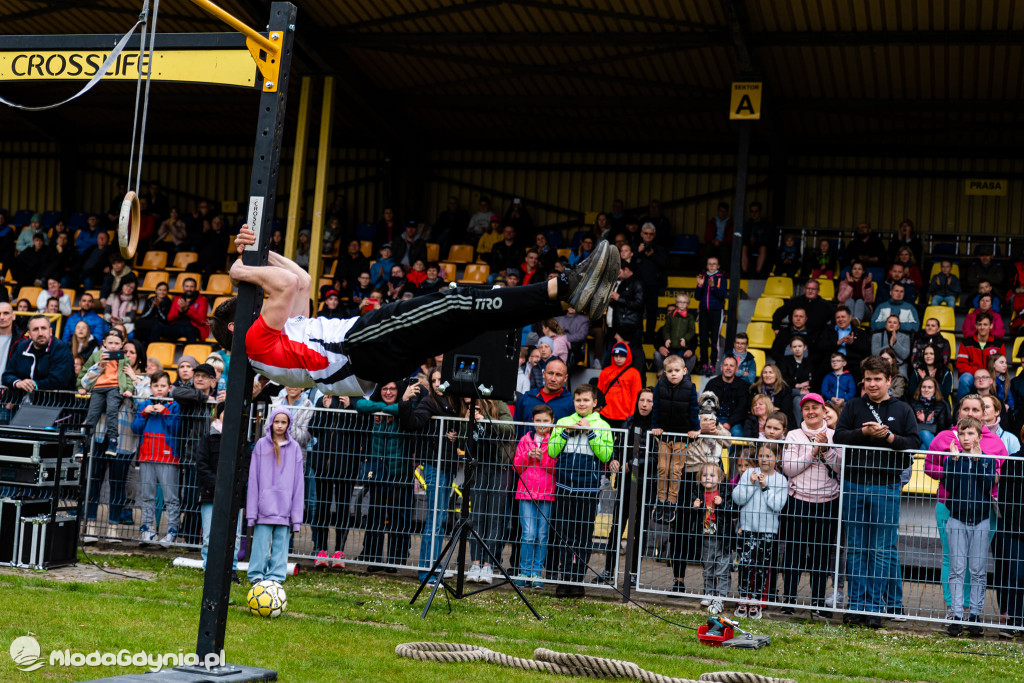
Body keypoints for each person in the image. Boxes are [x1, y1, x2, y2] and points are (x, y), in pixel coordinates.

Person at [211, 225, 620, 397]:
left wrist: (260, 253)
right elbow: (281, 285)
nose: (261, 306)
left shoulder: (276, 340)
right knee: (454, 300)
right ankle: (565, 285)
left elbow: (298, 278)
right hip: (359, 346)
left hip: (368, 359)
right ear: (236, 324)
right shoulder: (253, 341)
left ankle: (565, 296)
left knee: (468, 318)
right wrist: (240, 269)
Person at [833, 355, 918, 628]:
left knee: (880, 549)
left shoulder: (903, 409)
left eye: (877, 379)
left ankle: (874, 607)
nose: (872, 383)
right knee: (856, 548)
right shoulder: (854, 405)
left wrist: (889, 437)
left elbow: (913, 441)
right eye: (868, 379)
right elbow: (839, 436)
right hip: (854, 483)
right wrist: (865, 433)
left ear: (888, 380)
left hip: (886, 485)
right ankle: (855, 605)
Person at [780, 393, 842, 618]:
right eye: (806, 408)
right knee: (793, 553)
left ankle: (817, 602)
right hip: (798, 501)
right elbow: (789, 469)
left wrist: (826, 450)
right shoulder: (793, 435)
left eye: (815, 407)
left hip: (827, 503)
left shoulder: (835, 435)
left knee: (821, 555)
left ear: (824, 410)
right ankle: (789, 600)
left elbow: (839, 468)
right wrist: (812, 452)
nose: (811, 412)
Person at [549, 384, 613, 598]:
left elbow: (605, 456)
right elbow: (552, 450)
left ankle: (577, 580)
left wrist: (590, 432)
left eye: (586, 400)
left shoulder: (602, 425)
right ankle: (564, 578)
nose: (582, 404)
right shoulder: (563, 422)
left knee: (583, 536)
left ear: (595, 402)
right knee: (564, 535)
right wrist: (567, 432)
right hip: (565, 487)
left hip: (588, 489)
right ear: (573, 402)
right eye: (578, 400)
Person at [942, 417, 996, 637]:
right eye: (962, 434)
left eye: (971, 434)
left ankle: (974, 614)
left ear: (979, 437)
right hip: (957, 520)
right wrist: (955, 462)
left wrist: (976, 461)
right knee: (957, 569)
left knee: (977, 570)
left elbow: (987, 486)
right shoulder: (952, 460)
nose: (966, 438)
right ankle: (956, 615)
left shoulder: (988, 460)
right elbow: (950, 487)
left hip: (981, 520)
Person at [357, 381, 413, 572]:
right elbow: (360, 404)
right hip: (379, 471)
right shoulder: (377, 407)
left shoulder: (403, 407)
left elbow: (406, 408)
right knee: (376, 514)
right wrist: (386, 408)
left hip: (400, 472)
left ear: (399, 391)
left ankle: (395, 560)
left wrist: (391, 409)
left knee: (399, 516)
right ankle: (373, 558)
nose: (388, 392)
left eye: (392, 389)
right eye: (384, 389)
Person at [246, 407, 304, 584]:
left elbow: (298, 484)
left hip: (285, 508)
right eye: (276, 421)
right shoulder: (261, 445)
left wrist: (296, 517)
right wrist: (251, 513)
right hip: (264, 506)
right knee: (261, 543)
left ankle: (276, 576)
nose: (279, 426)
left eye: (283, 422)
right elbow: (254, 479)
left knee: (281, 544)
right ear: (271, 423)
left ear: (289, 424)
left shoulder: (295, 448)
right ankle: (256, 574)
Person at [732, 443, 787, 620]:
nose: (764, 459)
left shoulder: (781, 480)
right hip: (748, 527)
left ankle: (756, 600)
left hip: (767, 530)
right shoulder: (749, 473)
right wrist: (750, 483)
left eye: (768, 456)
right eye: (761, 455)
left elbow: (777, 506)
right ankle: (743, 598)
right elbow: (738, 498)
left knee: (762, 565)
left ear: (777, 459)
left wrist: (764, 487)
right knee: (745, 563)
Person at [133, 372, 181, 544]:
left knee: (170, 497)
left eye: (163, 386)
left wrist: (165, 411)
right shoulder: (145, 404)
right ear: (151, 387)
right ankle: (147, 528)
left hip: (168, 457)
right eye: (156, 386)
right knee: (147, 495)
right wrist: (143, 413)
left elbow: (176, 429)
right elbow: (136, 428)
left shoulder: (174, 405)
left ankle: (172, 530)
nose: (159, 389)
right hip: (147, 455)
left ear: (169, 388)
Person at [650, 355, 699, 523]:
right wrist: (655, 425)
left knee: (675, 470)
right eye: (669, 371)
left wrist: (695, 429)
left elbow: (693, 409)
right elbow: (656, 407)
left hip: (681, 436)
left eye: (677, 371)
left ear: (684, 371)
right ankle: (661, 500)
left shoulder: (690, 387)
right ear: (664, 372)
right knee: (663, 467)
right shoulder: (660, 386)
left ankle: (672, 501)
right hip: (665, 435)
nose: (673, 374)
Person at [513, 404, 557, 589]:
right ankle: (524, 571)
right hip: (526, 492)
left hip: (546, 492)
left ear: (552, 422)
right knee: (528, 534)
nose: (541, 424)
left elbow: (555, 469)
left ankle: (537, 573)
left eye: (545, 421)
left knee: (542, 535)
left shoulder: (554, 440)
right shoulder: (525, 439)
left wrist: (542, 459)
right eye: (538, 421)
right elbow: (517, 466)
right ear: (532, 421)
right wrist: (527, 456)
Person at [80, 329, 134, 456]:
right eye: (110, 343)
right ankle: (84, 445)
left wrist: (128, 389)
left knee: (112, 412)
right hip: (97, 388)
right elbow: (84, 371)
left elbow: (127, 376)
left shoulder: (124, 359)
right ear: (104, 343)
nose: (113, 346)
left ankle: (113, 441)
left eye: (116, 343)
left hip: (114, 388)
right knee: (92, 415)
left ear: (122, 344)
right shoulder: (96, 355)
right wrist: (81, 386)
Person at [692, 462, 733, 615]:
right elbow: (693, 516)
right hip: (705, 536)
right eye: (704, 475)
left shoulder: (725, 492)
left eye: (712, 475)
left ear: (720, 478)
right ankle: (709, 593)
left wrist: (722, 504)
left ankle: (721, 597)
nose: (708, 478)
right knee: (708, 566)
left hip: (722, 537)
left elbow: (732, 510)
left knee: (722, 567)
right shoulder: (697, 493)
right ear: (700, 478)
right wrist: (694, 506)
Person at [956, 312, 1006, 400]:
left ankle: (998, 410)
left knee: (1001, 380)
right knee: (965, 379)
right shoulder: (966, 343)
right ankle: (961, 409)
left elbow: (1001, 365)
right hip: (973, 376)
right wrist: (978, 374)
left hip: (991, 376)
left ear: (991, 326)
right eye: (980, 324)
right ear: (976, 326)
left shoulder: (998, 344)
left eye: (985, 324)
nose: (982, 327)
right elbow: (961, 365)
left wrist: (987, 375)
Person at [596, 342, 642, 429]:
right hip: (605, 414)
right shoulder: (605, 372)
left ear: (627, 356)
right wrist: (597, 411)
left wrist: (632, 415)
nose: (618, 358)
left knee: (622, 442)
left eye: (621, 356)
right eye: (616, 356)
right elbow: (599, 393)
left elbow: (636, 395)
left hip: (625, 416)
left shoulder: (634, 373)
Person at [695, 256, 726, 375]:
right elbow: (697, 297)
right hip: (703, 312)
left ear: (718, 266)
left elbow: (722, 296)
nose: (712, 266)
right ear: (707, 266)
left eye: (714, 264)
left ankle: (712, 365)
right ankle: (704, 364)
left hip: (716, 312)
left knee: (714, 340)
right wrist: (700, 285)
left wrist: (713, 286)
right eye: (709, 264)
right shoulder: (703, 277)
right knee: (703, 339)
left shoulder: (721, 278)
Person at [705, 355, 749, 437]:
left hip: (734, 422)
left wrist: (729, 423)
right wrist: (716, 422)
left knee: (737, 434)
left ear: (736, 369)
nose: (728, 368)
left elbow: (742, 408)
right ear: (721, 367)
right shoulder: (712, 383)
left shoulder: (743, 386)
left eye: (731, 366)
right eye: (726, 365)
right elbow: (705, 405)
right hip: (713, 419)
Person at [158, 277, 210, 343]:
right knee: (157, 328)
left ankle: (190, 353)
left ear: (195, 288)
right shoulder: (177, 298)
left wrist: (187, 310)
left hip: (194, 328)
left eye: (192, 287)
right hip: (178, 327)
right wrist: (179, 312)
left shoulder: (202, 300)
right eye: (187, 286)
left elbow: (201, 321)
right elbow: (169, 318)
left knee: (188, 330)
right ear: (183, 287)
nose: (189, 289)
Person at [654, 293, 696, 373]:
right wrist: (667, 339)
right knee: (670, 363)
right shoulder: (671, 316)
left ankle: (680, 377)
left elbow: (691, 331)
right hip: (671, 347)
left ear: (688, 304)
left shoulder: (690, 317)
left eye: (684, 302)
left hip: (682, 348)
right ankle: (664, 374)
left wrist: (685, 339)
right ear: (676, 303)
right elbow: (666, 328)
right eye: (680, 302)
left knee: (678, 364)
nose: (682, 304)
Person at [911, 378, 951, 449]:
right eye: (924, 387)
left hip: (935, 438)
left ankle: (934, 455)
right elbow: (909, 427)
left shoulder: (942, 405)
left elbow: (944, 428)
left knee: (923, 447)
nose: (926, 390)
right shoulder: (913, 404)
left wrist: (930, 423)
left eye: (929, 387)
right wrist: (922, 422)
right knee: (924, 433)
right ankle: (939, 456)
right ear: (920, 389)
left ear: (935, 390)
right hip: (917, 438)